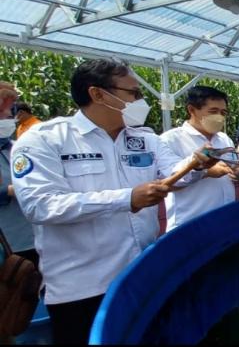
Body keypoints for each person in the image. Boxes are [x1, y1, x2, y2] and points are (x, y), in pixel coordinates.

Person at [9, 59, 217, 344]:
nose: (140, 101)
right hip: (83, 288)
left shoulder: (145, 139)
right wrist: (126, 198)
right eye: (134, 93)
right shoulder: (45, 141)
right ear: (98, 94)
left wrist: (196, 165)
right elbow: (40, 205)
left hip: (141, 274)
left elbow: (173, 176)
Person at [159, 86, 236, 232]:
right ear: (192, 110)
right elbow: (168, 182)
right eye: (213, 111)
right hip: (190, 223)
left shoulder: (224, 139)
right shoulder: (170, 140)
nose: (219, 117)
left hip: (224, 219)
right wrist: (205, 172)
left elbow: (232, 167)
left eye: (223, 112)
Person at [0, 86, 36, 267]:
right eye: (3, 112)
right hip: (7, 242)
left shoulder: (16, 147)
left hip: (30, 238)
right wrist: (7, 191)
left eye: (10, 111)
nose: (9, 115)